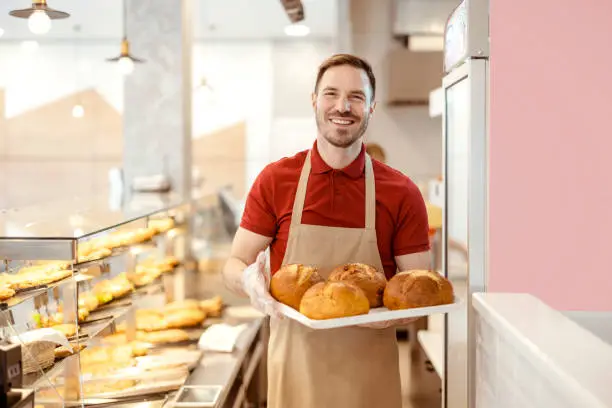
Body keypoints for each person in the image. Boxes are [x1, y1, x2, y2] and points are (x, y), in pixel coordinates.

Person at [222, 54, 431, 408]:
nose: (343, 106)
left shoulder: (402, 192)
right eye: (331, 93)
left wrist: (393, 316)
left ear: (371, 107)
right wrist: (248, 283)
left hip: (368, 380)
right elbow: (234, 262)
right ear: (314, 100)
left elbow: (418, 288)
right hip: (294, 373)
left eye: (357, 97)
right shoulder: (276, 181)